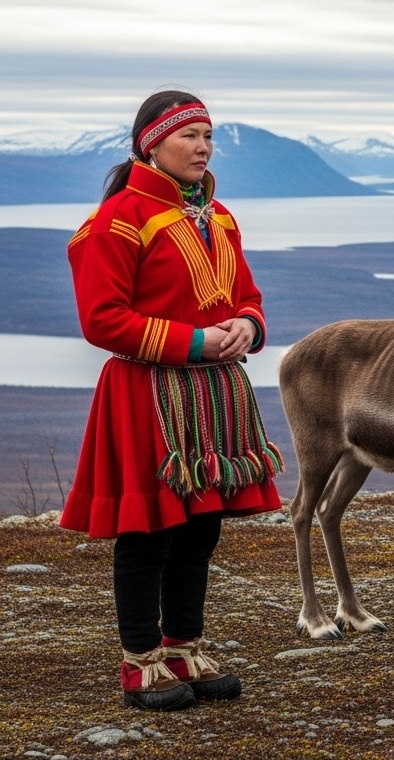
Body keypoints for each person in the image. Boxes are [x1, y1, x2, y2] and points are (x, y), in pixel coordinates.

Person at [60, 90, 284, 710]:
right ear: (151, 145)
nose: (204, 147)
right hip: (147, 391)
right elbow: (101, 320)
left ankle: (183, 645)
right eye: (190, 136)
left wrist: (247, 325)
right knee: (148, 528)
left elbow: (246, 293)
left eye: (209, 137)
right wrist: (192, 342)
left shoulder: (219, 217)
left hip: (213, 393)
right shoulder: (116, 221)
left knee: (200, 525)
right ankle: (140, 663)